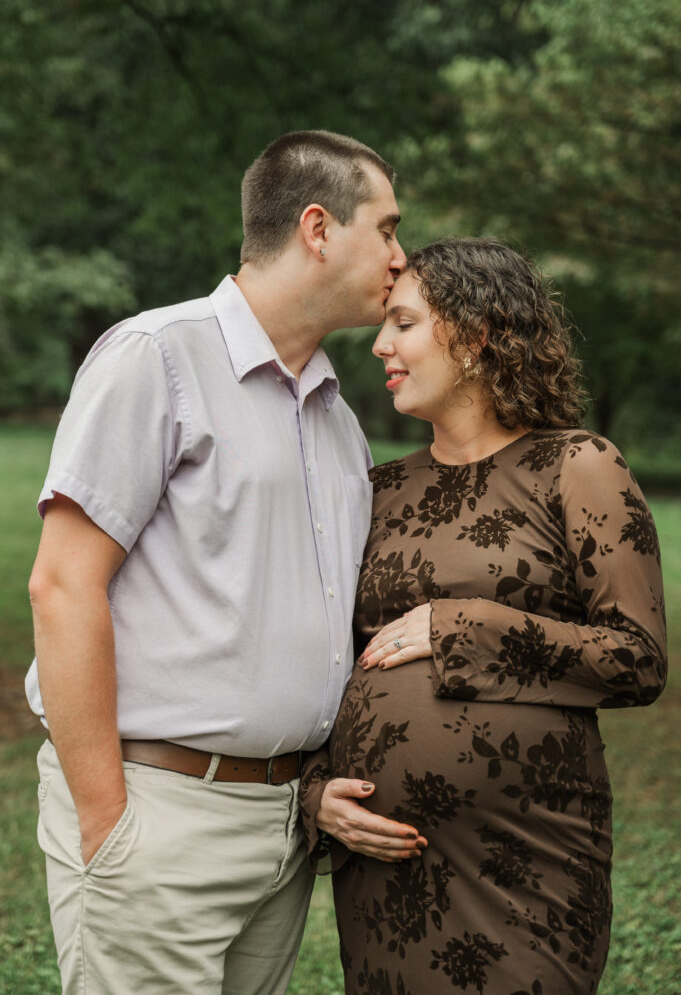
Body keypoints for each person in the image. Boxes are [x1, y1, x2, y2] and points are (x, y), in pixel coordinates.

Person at [25, 129, 420, 995]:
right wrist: (109, 820)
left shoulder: (336, 418)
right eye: (385, 229)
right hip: (158, 816)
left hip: (284, 827)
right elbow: (61, 585)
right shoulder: (156, 358)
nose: (399, 256)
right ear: (318, 228)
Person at [300, 237, 667, 994]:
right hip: (384, 871)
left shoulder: (577, 466)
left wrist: (461, 625)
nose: (378, 345)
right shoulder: (375, 488)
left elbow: (636, 658)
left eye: (402, 324)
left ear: (474, 336)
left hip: (524, 857)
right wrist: (315, 792)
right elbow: (322, 664)